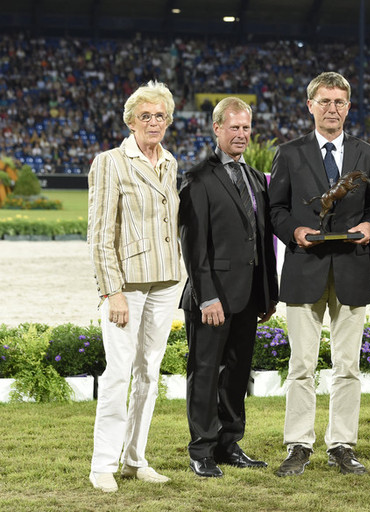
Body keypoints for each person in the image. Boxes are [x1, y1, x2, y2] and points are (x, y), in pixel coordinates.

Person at [268, 71, 370, 477]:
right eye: (324, 101)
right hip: (305, 267)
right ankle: (299, 444)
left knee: (347, 365)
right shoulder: (289, 153)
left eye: (339, 102)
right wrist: (294, 231)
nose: (332, 109)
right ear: (310, 105)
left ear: (348, 107)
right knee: (301, 365)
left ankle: (342, 445)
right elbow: (275, 209)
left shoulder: (368, 154)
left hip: (352, 270)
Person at [87, 81, 182, 492]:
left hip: (166, 282)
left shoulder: (170, 161)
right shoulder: (110, 162)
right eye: (146, 115)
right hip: (128, 285)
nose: (154, 122)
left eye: (160, 115)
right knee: (118, 373)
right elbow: (100, 233)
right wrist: (112, 291)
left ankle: (134, 458)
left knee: (149, 373)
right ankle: (102, 464)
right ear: (130, 121)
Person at [178, 97, 279, 478]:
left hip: (249, 295)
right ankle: (201, 448)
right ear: (216, 129)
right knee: (204, 372)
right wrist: (207, 295)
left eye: (246, 128)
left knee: (237, 372)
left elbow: (262, 241)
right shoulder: (198, 178)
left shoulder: (255, 178)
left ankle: (229, 443)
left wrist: (268, 292)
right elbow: (193, 244)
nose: (241, 134)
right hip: (212, 297)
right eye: (233, 127)